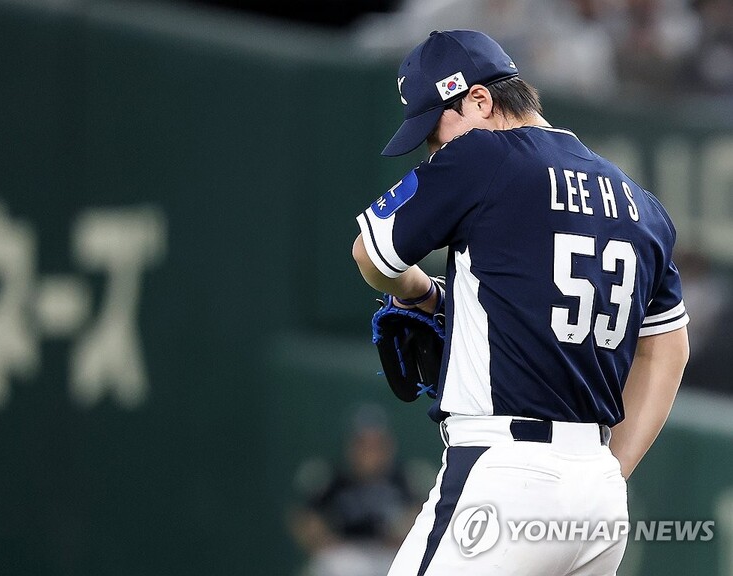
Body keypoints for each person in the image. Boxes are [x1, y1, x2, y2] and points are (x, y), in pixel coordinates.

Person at [351, 30, 690, 575]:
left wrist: (421, 293)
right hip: (599, 498)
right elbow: (668, 348)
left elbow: (371, 254)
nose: (436, 151)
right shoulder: (639, 200)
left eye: (435, 131)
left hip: (503, 472)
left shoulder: (483, 155)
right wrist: (611, 469)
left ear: (479, 100)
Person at [289, 405, 419, 576]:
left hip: (388, 554)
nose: (369, 453)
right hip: (346, 554)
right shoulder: (333, 478)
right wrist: (322, 540)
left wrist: (404, 533)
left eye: (376, 445)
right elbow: (303, 517)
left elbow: (422, 513)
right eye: (363, 444)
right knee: (328, 563)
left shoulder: (404, 478)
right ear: (351, 446)